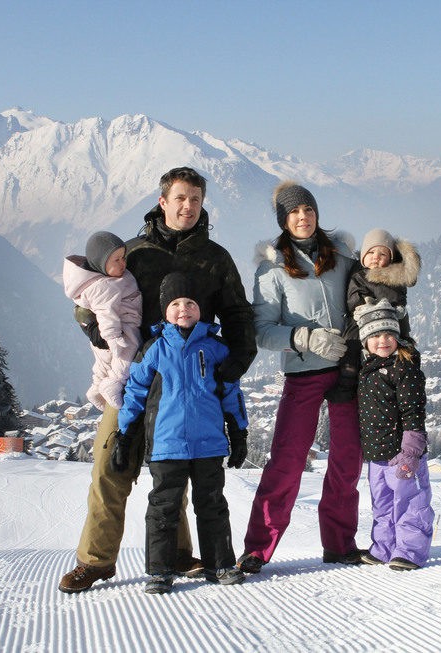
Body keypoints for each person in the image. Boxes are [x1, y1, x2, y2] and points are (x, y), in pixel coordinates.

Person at [59, 166, 257, 593]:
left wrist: (235, 363)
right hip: (134, 374)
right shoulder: (135, 253)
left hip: (191, 377)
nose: (188, 207)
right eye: (180, 198)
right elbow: (88, 291)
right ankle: (95, 562)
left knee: (177, 469)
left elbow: (238, 313)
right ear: (162, 201)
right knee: (112, 461)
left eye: (196, 200)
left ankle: (181, 555)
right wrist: (88, 324)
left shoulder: (215, 258)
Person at [238, 181, 364, 574]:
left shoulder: (343, 258)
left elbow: (368, 292)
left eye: (308, 209)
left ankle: (340, 544)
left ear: (316, 213)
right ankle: (258, 549)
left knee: (347, 461)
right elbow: (262, 331)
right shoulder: (272, 269)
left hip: (346, 372)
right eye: (293, 212)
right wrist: (303, 337)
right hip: (304, 373)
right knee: (287, 462)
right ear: (283, 220)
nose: (302, 216)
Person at [116, 272, 249, 594]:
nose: (183, 309)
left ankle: (220, 564)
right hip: (167, 444)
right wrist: (124, 436)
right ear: (165, 310)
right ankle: (159, 571)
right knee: (163, 508)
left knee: (212, 505)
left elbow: (231, 392)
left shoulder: (216, 348)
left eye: (190, 303)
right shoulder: (154, 349)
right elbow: (134, 393)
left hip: (209, 444)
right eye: (175, 303)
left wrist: (239, 432)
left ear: (201, 309)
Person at [353, 298, 434, 571]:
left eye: (388, 333)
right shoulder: (368, 370)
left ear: (398, 336)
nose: (383, 340)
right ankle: (384, 547)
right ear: (365, 340)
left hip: (402, 454)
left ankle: (410, 551)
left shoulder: (404, 369)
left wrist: (410, 452)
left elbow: (414, 412)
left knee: (410, 501)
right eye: (375, 335)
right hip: (377, 455)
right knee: (382, 504)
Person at [331, 227, 422, 403]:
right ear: (363, 254)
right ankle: (346, 386)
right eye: (371, 252)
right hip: (361, 322)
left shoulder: (396, 277)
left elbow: (400, 299)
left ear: (390, 258)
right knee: (351, 349)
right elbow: (353, 299)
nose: (376, 257)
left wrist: (397, 311)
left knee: (405, 349)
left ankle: (405, 383)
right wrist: (366, 308)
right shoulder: (359, 274)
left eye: (382, 254)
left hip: (394, 323)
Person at [62, 231, 143, 411]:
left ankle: (97, 386)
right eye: (117, 260)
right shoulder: (104, 286)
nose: (123, 263)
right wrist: (113, 338)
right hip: (121, 329)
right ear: (101, 262)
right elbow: (106, 314)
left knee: (103, 363)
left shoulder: (105, 280)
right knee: (127, 354)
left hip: (108, 333)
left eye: (123, 258)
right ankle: (113, 383)